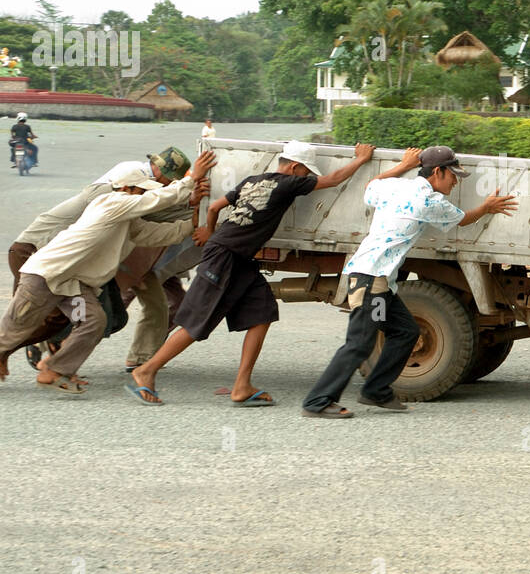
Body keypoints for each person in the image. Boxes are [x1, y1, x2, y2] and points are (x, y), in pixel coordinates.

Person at [0, 152, 216, 401]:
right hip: (45, 276)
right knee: (11, 331)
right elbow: (155, 201)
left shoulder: (125, 219)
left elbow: (158, 235)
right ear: (126, 189)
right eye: (140, 191)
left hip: (70, 283)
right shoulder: (112, 202)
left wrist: (194, 221)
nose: (143, 196)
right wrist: (189, 182)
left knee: (94, 320)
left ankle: (54, 370)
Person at [129, 141, 377, 407]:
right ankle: (146, 370)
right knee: (196, 323)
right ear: (294, 167)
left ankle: (242, 386)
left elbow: (214, 208)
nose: (308, 177)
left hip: (239, 257)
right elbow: (333, 180)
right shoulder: (288, 183)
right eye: (306, 172)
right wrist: (360, 160)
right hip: (225, 256)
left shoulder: (253, 181)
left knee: (262, 313)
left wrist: (210, 232)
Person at [301, 145, 518, 420]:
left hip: (378, 282)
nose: (455, 181)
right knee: (359, 344)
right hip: (370, 281)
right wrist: (487, 207)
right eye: (453, 175)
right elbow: (463, 220)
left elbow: (372, 185)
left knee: (404, 331)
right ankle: (318, 401)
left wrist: (402, 165)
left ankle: (376, 390)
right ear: (437, 172)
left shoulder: (395, 187)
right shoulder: (428, 202)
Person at [0, 148, 195, 378]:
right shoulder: (120, 187)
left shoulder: (137, 187)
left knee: (98, 319)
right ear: (162, 174)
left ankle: (50, 360)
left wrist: (196, 204)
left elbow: (156, 219)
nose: (165, 186)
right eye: (170, 181)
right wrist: (188, 189)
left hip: (72, 263)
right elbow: (153, 207)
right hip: (38, 253)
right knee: (44, 319)